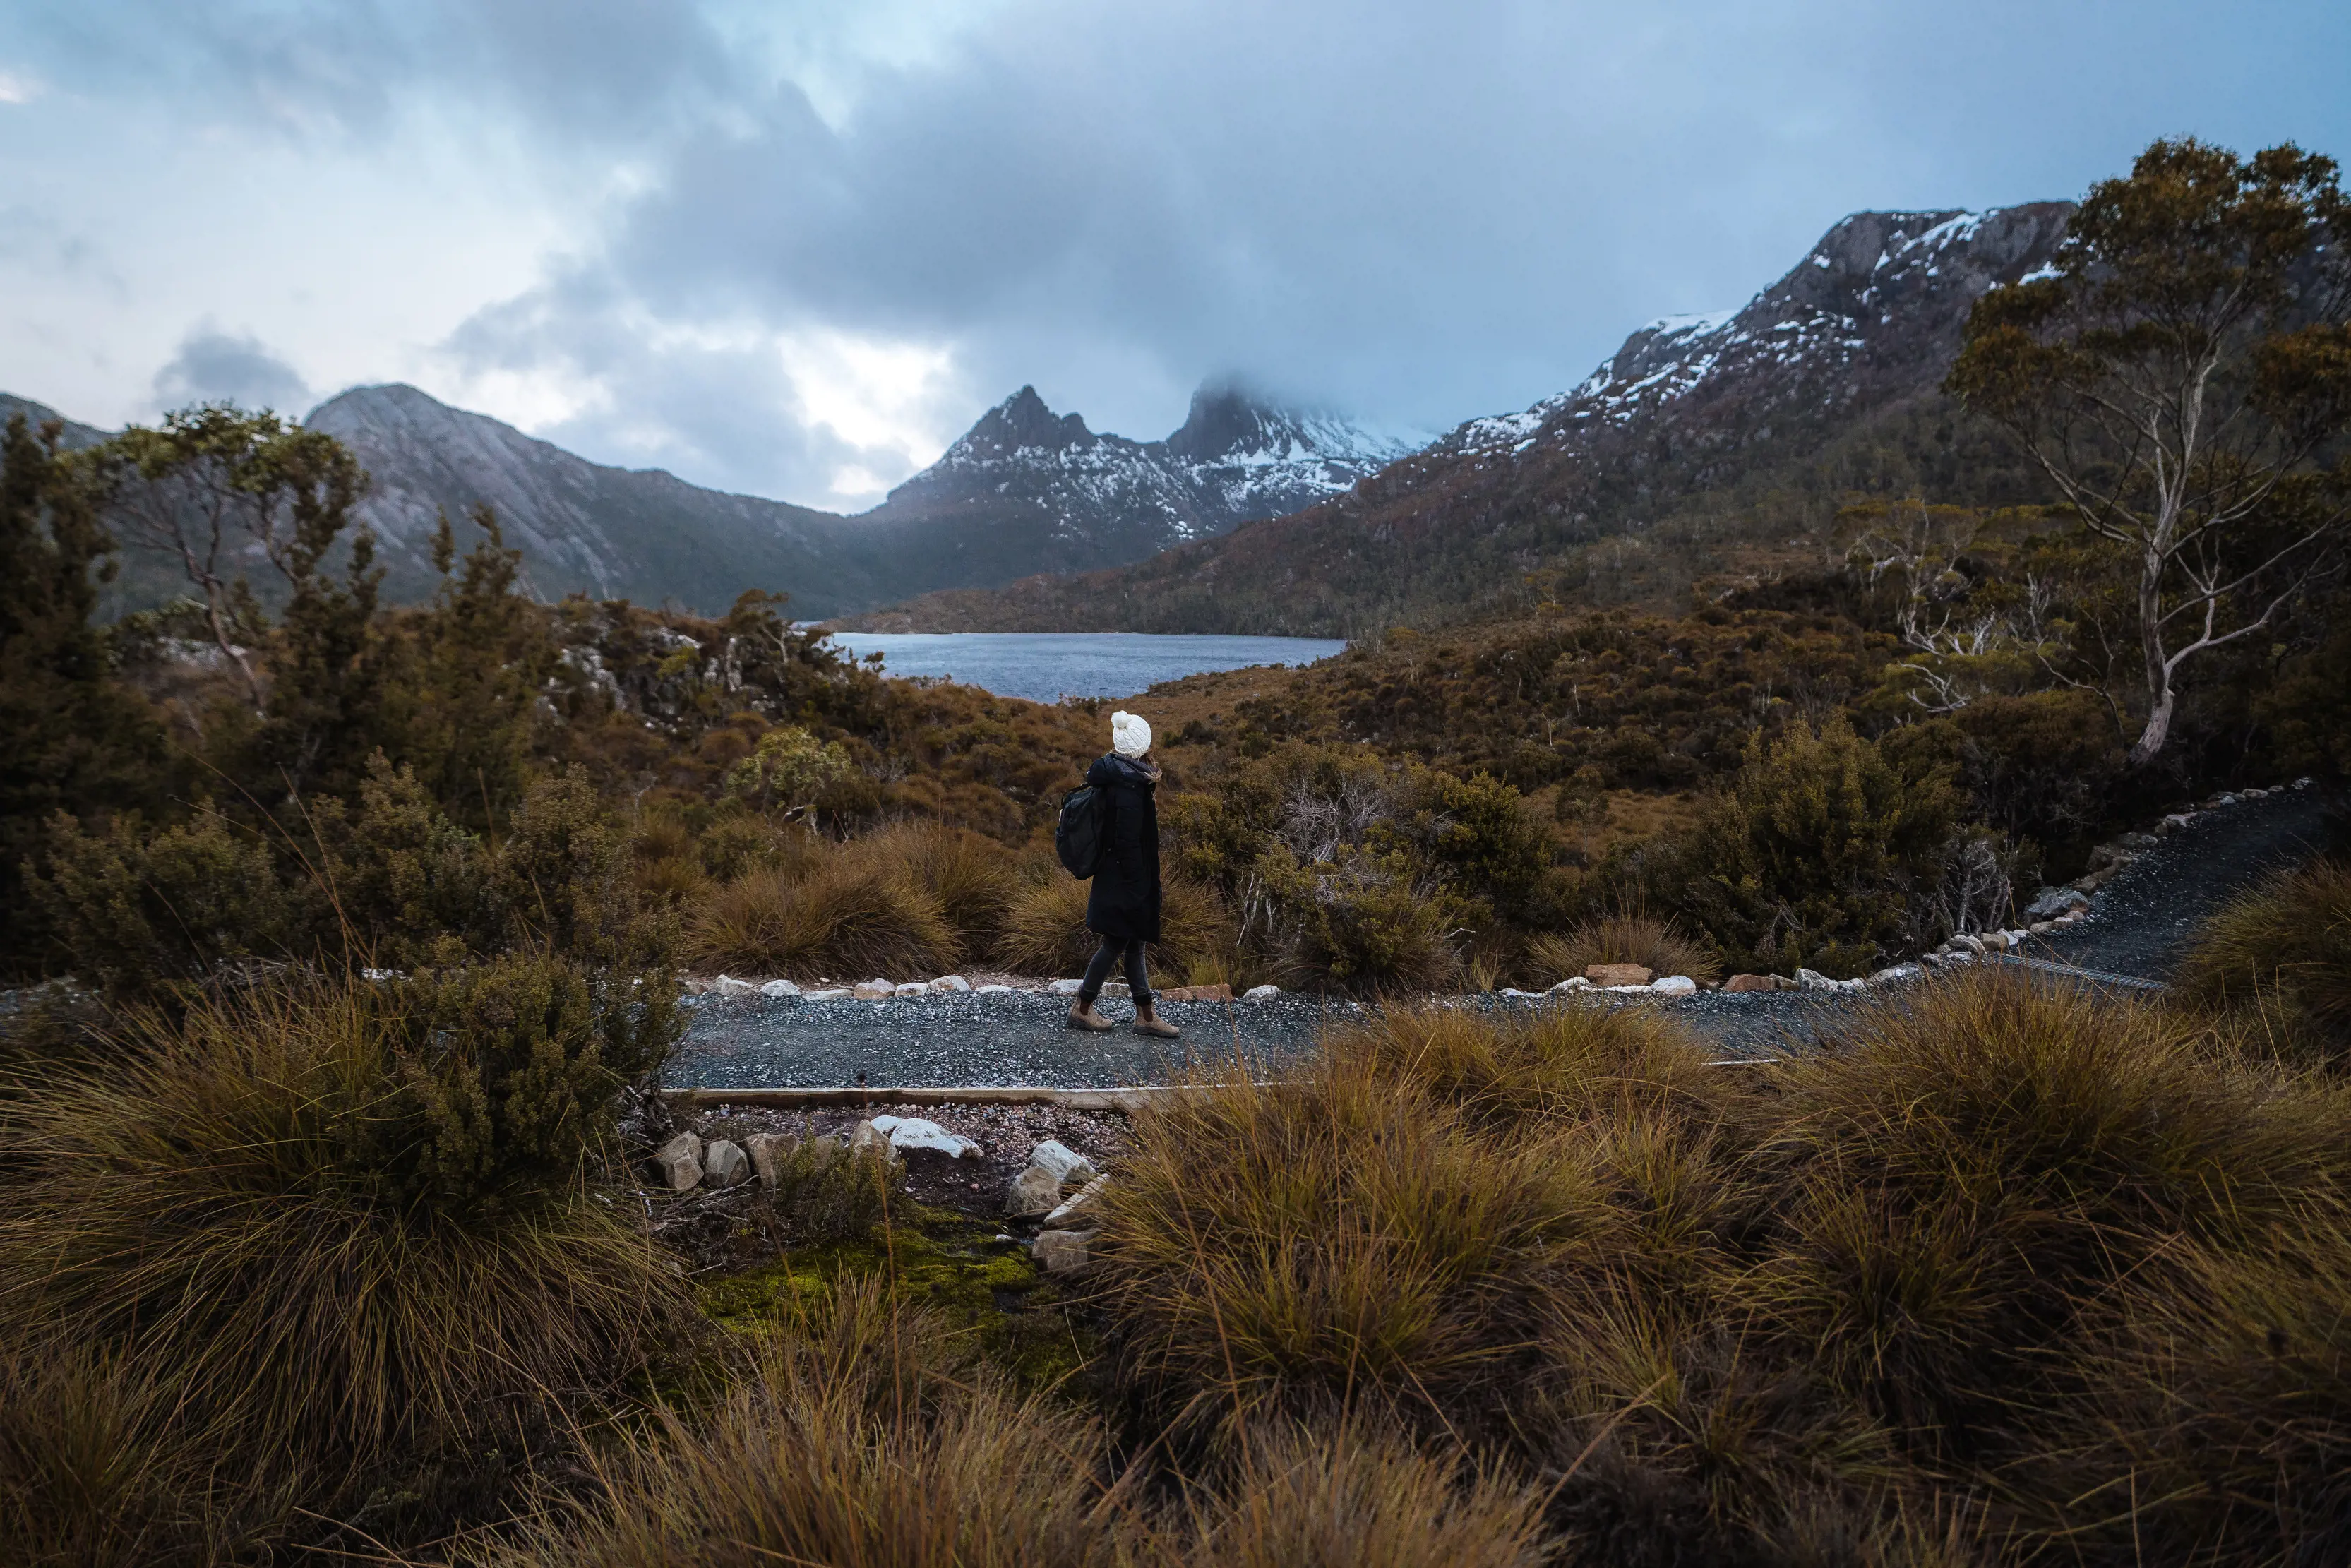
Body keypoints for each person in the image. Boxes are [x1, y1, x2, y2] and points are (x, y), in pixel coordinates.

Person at [1068, 710, 1179, 1038]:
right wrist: (1142, 890)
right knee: (1118, 942)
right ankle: (1083, 1008)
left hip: (1116, 875)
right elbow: (1131, 844)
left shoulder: (1119, 774)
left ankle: (1145, 1016)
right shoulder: (1130, 785)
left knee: (1132, 943)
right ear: (1141, 746)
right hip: (1127, 880)